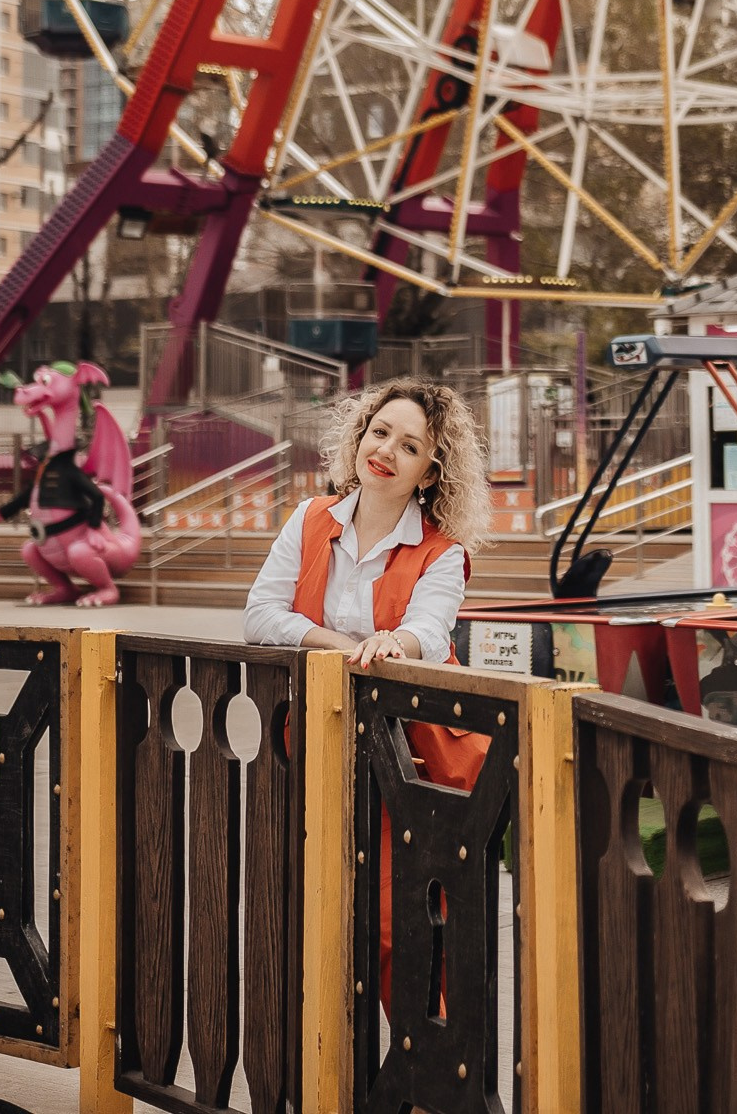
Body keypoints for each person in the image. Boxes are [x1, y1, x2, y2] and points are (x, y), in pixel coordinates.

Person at [244, 376, 492, 1011]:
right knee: (316, 910)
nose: (386, 450)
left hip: (412, 756)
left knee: (397, 918)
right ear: (360, 435)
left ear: (431, 472)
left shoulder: (443, 551)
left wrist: (393, 645)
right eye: (380, 431)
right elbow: (261, 616)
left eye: (410, 447)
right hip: (320, 741)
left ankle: (429, 1070)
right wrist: (344, 646)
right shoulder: (308, 519)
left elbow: (430, 635)